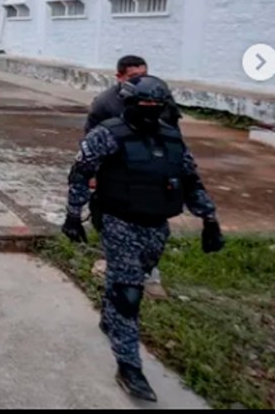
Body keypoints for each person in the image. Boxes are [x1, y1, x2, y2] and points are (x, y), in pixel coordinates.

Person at [62, 74, 225, 402]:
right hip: (118, 222)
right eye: (143, 105)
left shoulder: (171, 139)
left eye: (156, 106)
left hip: (156, 227)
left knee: (130, 279)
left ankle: (110, 317)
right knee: (129, 293)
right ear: (130, 104)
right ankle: (129, 367)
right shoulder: (107, 135)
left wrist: (209, 219)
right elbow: (81, 172)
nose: (149, 111)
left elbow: (190, 178)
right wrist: (72, 214)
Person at [85, 55, 181, 295]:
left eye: (145, 76)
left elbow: (174, 138)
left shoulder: (162, 99)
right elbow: (89, 140)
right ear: (119, 78)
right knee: (115, 219)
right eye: (134, 77)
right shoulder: (105, 103)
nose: (142, 83)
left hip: (152, 171)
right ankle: (114, 266)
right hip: (117, 172)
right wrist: (93, 172)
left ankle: (148, 271)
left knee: (153, 218)